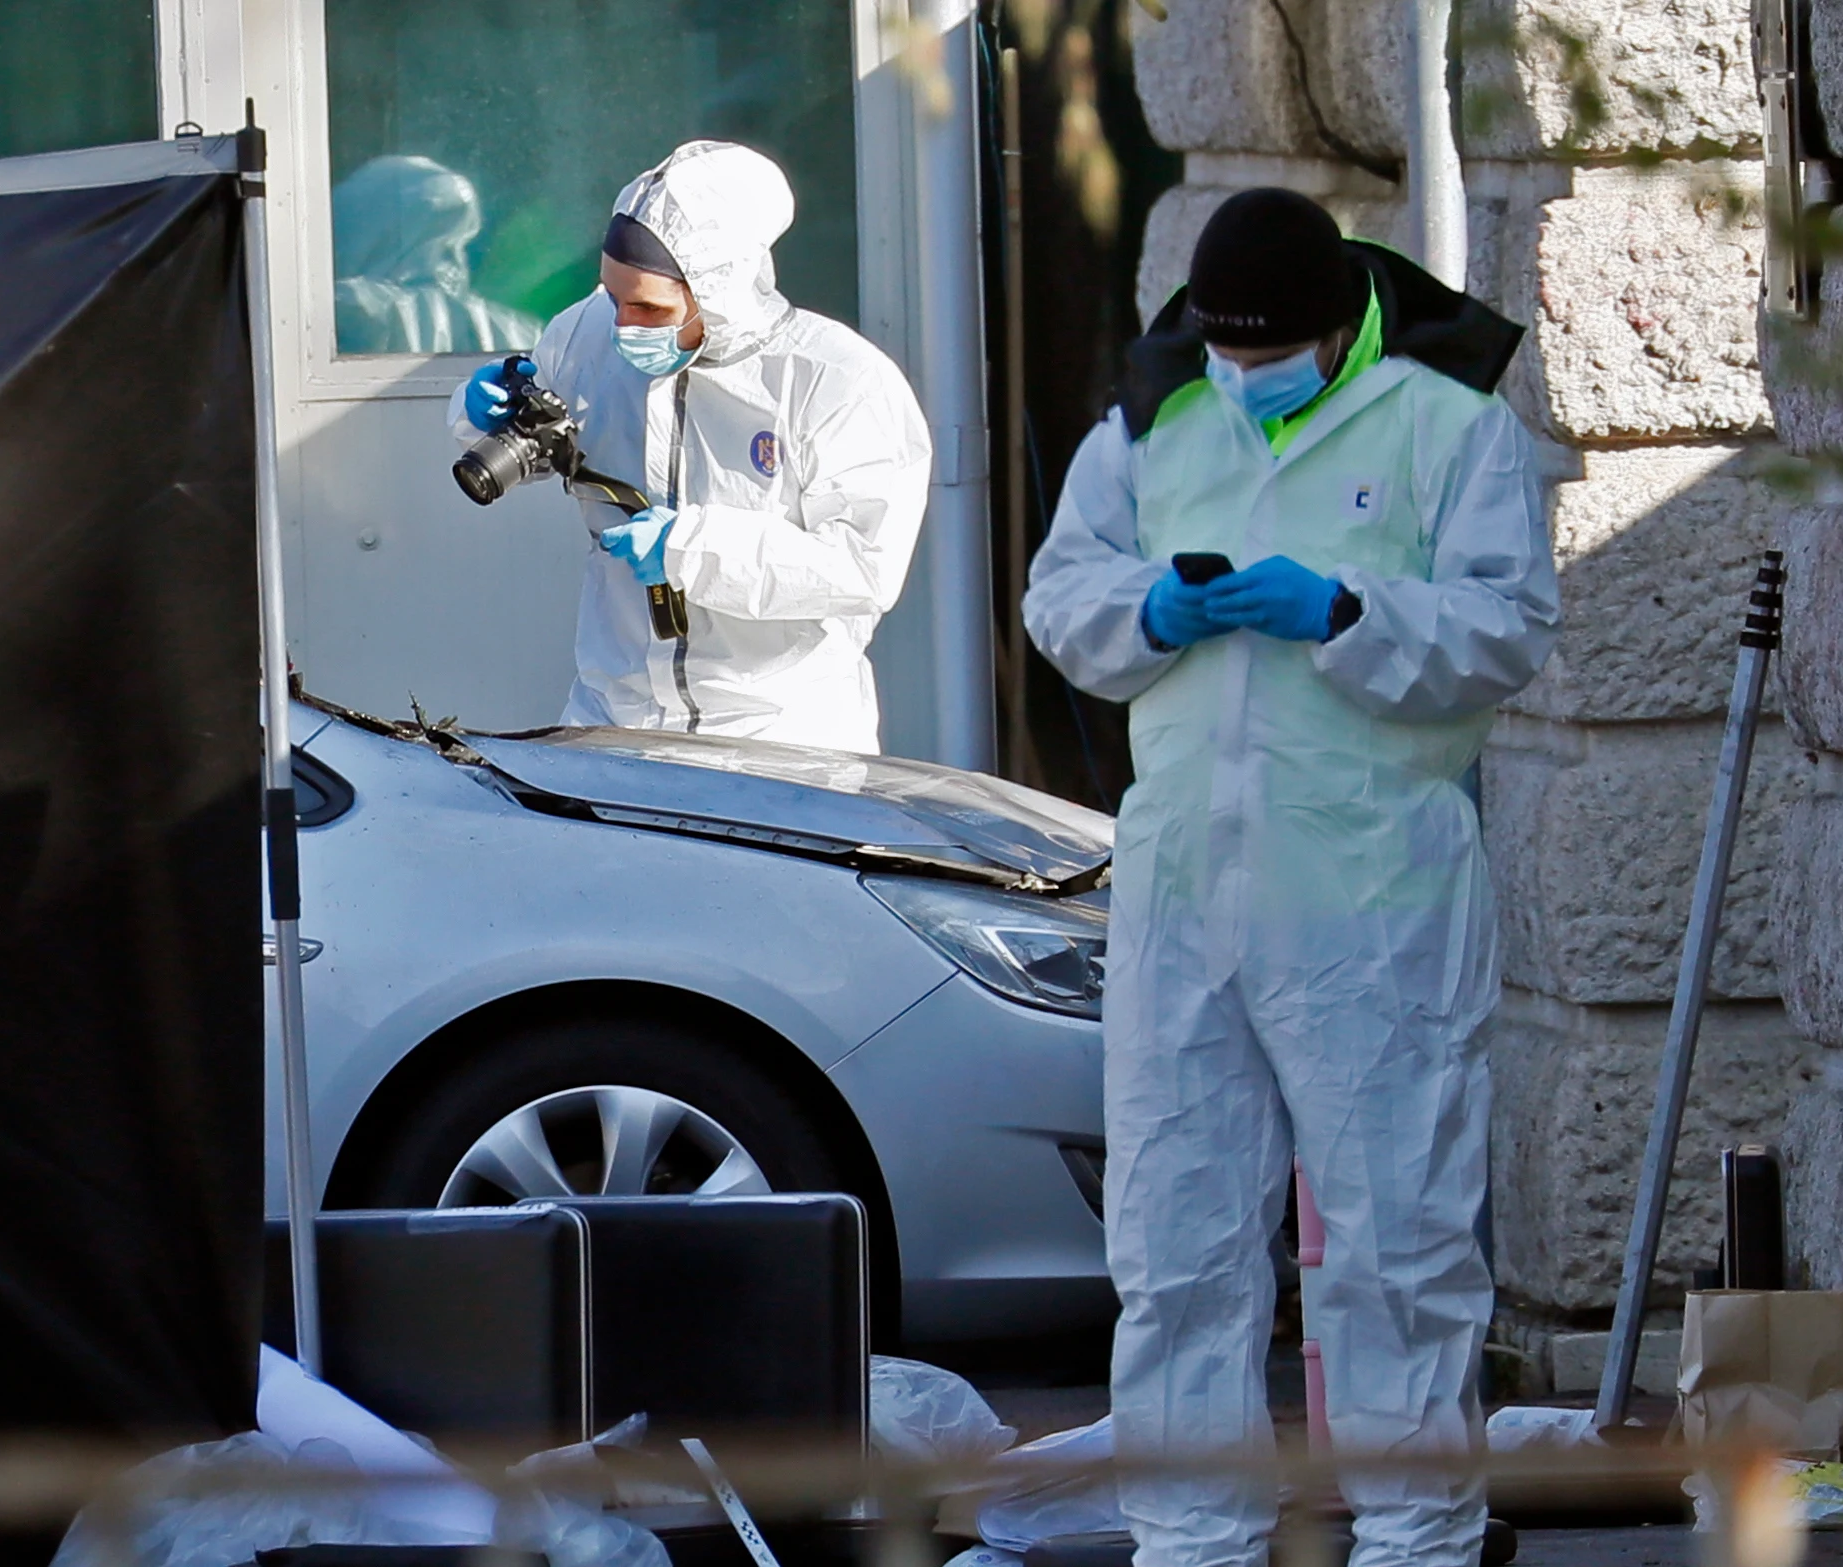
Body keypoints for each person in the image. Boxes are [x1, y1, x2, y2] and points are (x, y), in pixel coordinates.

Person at [1024, 188, 1558, 1567]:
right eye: (1223, 350)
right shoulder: (1155, 420)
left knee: (1397, 1237)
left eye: (1266, 352)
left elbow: (1507, 627)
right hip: (1182, 886)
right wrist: (1150, 608)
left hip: (1372, 891)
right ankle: (1188, 1533)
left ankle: (1417, 1531)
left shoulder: (1447, 428)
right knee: (1176, 1237)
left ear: (1339, 326)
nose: (1241, 376)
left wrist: (1347, 609)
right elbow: (1060, 591)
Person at [451, 141, 931, 752]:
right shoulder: (588, 332)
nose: (624, 325)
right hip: (613, 713)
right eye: (613, 296)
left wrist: (692, 549)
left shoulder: (835, 381)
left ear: (719, 289)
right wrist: (478, 411)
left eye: (649, 308)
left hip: (782, 731)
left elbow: (865, 567)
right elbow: (535, 431)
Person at [332, 154, 542, 356]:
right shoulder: (521, 334)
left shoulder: (342, 312)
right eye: (445, 240)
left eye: (459, 243)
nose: (455, 260)